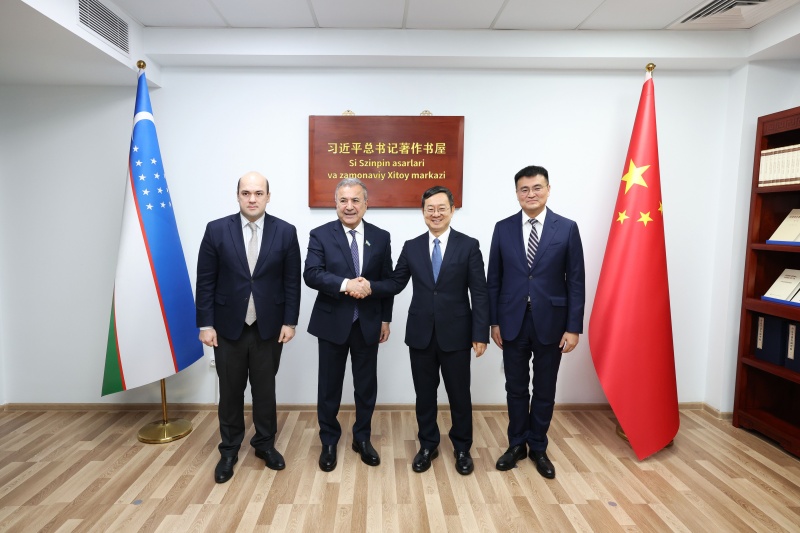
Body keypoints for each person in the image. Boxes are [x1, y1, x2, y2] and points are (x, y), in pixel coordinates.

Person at [370, 186, 489, 475]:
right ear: (423, 212)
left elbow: (479, 292)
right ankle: (428, 445)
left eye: (441, 208)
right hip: (420, 333)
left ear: (452, 210)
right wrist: (368, 286)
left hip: (457, 334)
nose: (435, 214)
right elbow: (396, 282)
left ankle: (462, 448)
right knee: (424, 395)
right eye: (430, 209)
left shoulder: (468, 245)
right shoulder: (412, 246)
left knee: (459, 395)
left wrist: (480, 333)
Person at [196, 171, 301, 483]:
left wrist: (290, 321)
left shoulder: (286, 231)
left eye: (258, 193)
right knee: (230, 391)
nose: (252, 199)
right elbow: (205, 281)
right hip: (227, 327)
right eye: (246, 193)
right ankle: (229, 449)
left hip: (269, 327)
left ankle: (264, 445)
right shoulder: (216, 230)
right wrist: (205, 324)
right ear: (238, 196)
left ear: (268, 196)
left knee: (265, 391)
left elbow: (291, 282)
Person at [487, 165, 585, 479]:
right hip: (511, 321)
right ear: (517, 193)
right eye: (524, 189)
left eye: (537, 188)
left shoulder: (566, 228)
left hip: (552, 322)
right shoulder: (503, 228)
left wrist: (573, 327)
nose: (531, 194)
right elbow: (494, 279)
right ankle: (516, 444)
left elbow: (576, 282)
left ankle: (538, 446)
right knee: (515, 388)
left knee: (544, 388)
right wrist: (494, 322)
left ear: (548, 190)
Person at [304, 178, 394, 472]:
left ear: (366, 204)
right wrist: (347, 284)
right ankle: (329, 441)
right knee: (329, 387)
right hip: (332, 324)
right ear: (335, 204)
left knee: (366, 387)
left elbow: (387, 281)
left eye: (356, 200)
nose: (349, 206)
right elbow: (311, 274)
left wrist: (385, 318)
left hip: (368, 323)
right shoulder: (320, 235)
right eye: (343, 200)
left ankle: (362, 438)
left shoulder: (381, 237)